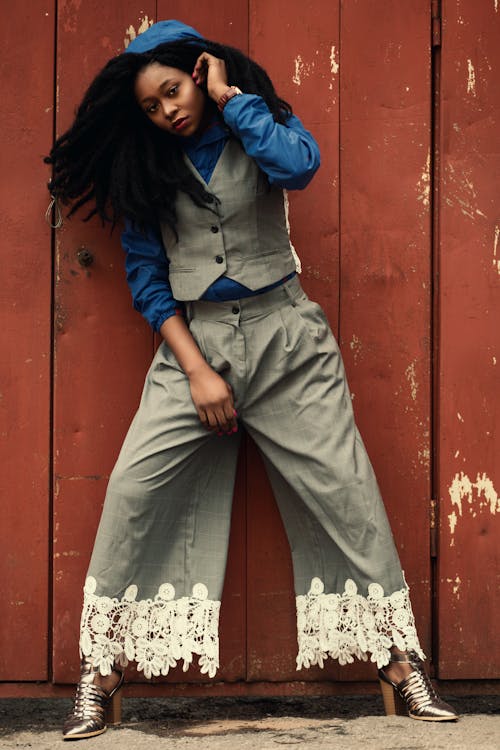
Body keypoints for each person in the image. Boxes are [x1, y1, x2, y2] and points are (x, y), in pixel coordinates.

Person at [45, 19, 458, 741]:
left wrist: (231, 99)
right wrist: (198, 372)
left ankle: (400, 663)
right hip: (196, 343)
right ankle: (102, 673)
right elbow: (147, 280)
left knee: (345, 486)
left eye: (173, 91)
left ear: (199, 72)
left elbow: (300, 166)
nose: (168, 111)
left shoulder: (255, 122)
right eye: (150, 105)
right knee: (134, 489)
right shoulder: (145, 166)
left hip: (287, 336)